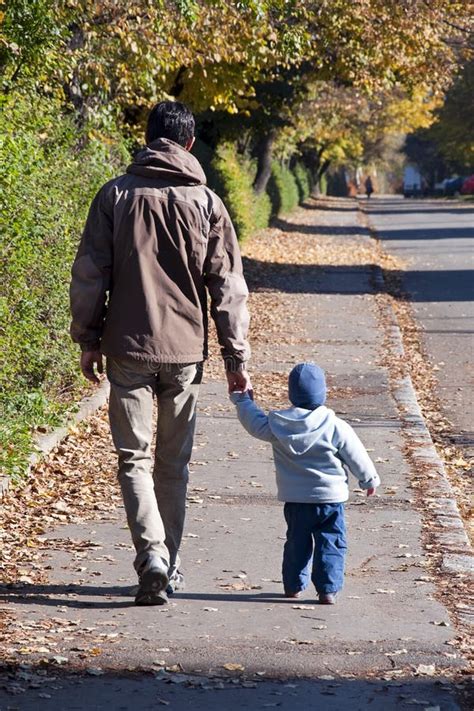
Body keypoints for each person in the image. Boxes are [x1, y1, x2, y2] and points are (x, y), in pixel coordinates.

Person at [70, 101, 252, 606]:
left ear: (148, 138)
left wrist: (87, 339)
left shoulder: (116, 195)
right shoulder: (208, 204)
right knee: (174, 465)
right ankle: (167, 566)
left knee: (133, 458)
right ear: (190, 144)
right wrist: (236, 360)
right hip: (186, 352)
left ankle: (151, 555)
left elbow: (90, 273)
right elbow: (228, 287)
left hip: (128, 346)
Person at [230, 362, 380, 604]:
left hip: (296, 499)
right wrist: (368, 479)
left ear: (291, 395)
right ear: (323, 393)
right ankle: (328, 589)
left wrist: (243, 401)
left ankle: (293, 586)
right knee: (331, 542)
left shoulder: (278, 425)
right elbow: (356, 455)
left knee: (296, 543)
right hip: (330, 500)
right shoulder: (336, 426)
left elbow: (254, 423)